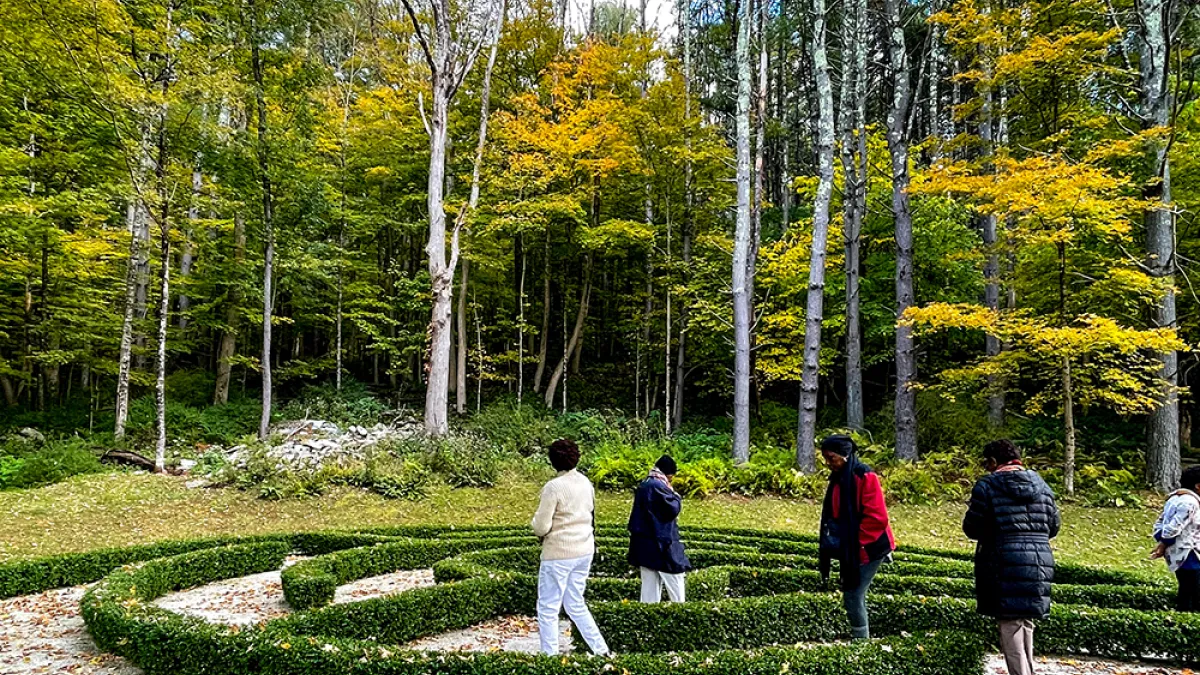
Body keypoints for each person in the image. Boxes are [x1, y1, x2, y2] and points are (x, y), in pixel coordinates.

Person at [963, 439, 1060, 675]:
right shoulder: (1043, 486)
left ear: (994, 461)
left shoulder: (987, 486)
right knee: (1025, 621)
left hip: (1003, 558)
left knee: (1010, 623)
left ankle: (1021, 673)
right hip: (1039, 559)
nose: (986, 467)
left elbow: (972, 527)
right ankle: (1028, 671)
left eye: (987, 462)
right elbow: (1054, 526)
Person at [531, 438, 610, 656]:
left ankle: (550, 656)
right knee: (575, 602)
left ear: (552, 461)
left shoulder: (553, 487)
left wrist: (534, 524)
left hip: (559, 552)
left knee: (548, 606)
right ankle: (601, 649)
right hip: (584, 549)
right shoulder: (586, 482)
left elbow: (541, 526)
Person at [817, 434, 896, 640]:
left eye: (831, 458)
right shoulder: (839, 477)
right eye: (826, 458)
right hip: (852, 545)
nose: (828, 463)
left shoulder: (865, 476)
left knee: (853, 594)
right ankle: (860, 638)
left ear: (844, 455)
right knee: (852, 592)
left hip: (869, 545)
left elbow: (877, 518)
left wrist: (854, 544)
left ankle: (861, 642)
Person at [628, 455, 692, 603]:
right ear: (668, 473)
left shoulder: (646, 483)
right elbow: (672, 509)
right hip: (661, 544)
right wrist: (676, 497)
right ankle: (681, 616)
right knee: (675, 583)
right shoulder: (658, 486)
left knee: (649, 590)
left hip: (644, 544)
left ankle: (648, 620)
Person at [1151, 465, 1200, 612]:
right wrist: (1164, 543)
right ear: (1198, 486)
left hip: (1184, 552)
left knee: (1187, 589)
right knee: (1193, 592)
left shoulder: (1175, 499)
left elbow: (1160, 524)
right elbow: (1172, 528)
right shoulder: (1189, 503)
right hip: (1188, 554)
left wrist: (1162, 541)